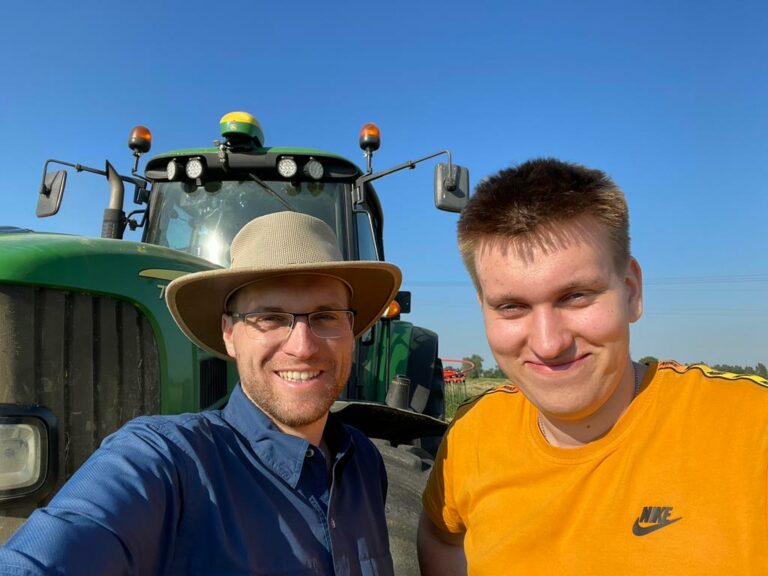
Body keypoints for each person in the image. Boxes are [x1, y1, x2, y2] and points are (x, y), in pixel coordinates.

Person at [418, 158, 768, 574]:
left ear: (631, 292)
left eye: (576, 296)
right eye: (512, 307)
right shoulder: (472, 437)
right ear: (483, 308)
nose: (549, 343)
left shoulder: (748, 430)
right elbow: (441, 534)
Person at [0, 211, 399, 575]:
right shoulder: (167, 462)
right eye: (270, 318)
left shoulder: (364, 462)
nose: (303, 346)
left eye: (325, 316)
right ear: (229, 333)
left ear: (352, 330)